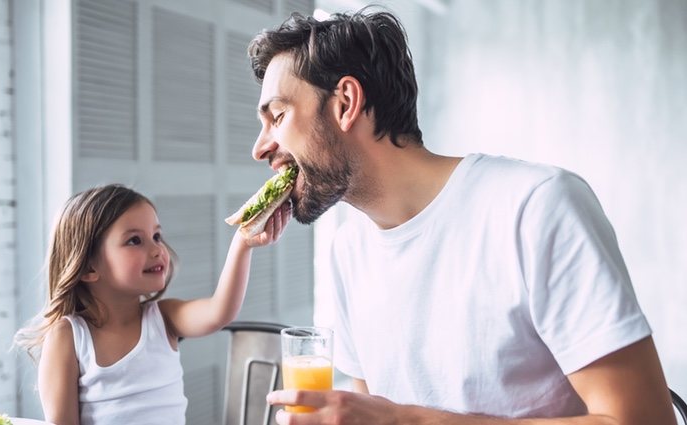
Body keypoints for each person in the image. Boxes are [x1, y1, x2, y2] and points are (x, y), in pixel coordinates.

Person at [248, 8, 677, 425]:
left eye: (278, 116)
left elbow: (646, 419)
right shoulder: (348, 250)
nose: (260, 148)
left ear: (345, 102)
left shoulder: (536, 207)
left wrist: (406, 420)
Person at [14, 184, 291, 425]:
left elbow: (220, 311)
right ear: (88, 267)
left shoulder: (164, 318)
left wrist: (242, 243)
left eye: (156, 236)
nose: (157, 249)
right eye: (134, 240)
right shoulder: (68, 337)